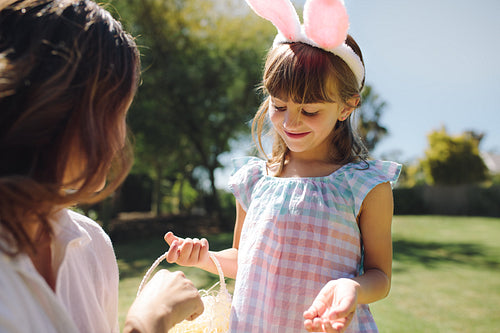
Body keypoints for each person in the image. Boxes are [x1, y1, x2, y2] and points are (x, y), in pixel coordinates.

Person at [164, 0, 401, 332]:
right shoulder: (253, 181)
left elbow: (381, 276)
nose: (291, 122)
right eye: (278, 105)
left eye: (310, 111)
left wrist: (354, 288)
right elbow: (242, 258)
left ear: (347, 107)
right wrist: (202, 257)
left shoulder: (363, 185)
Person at [0, 0, 204, 332]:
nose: (121, 138)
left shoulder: (93, 244)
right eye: (115, 112)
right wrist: (149, 321)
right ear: (54, 106)